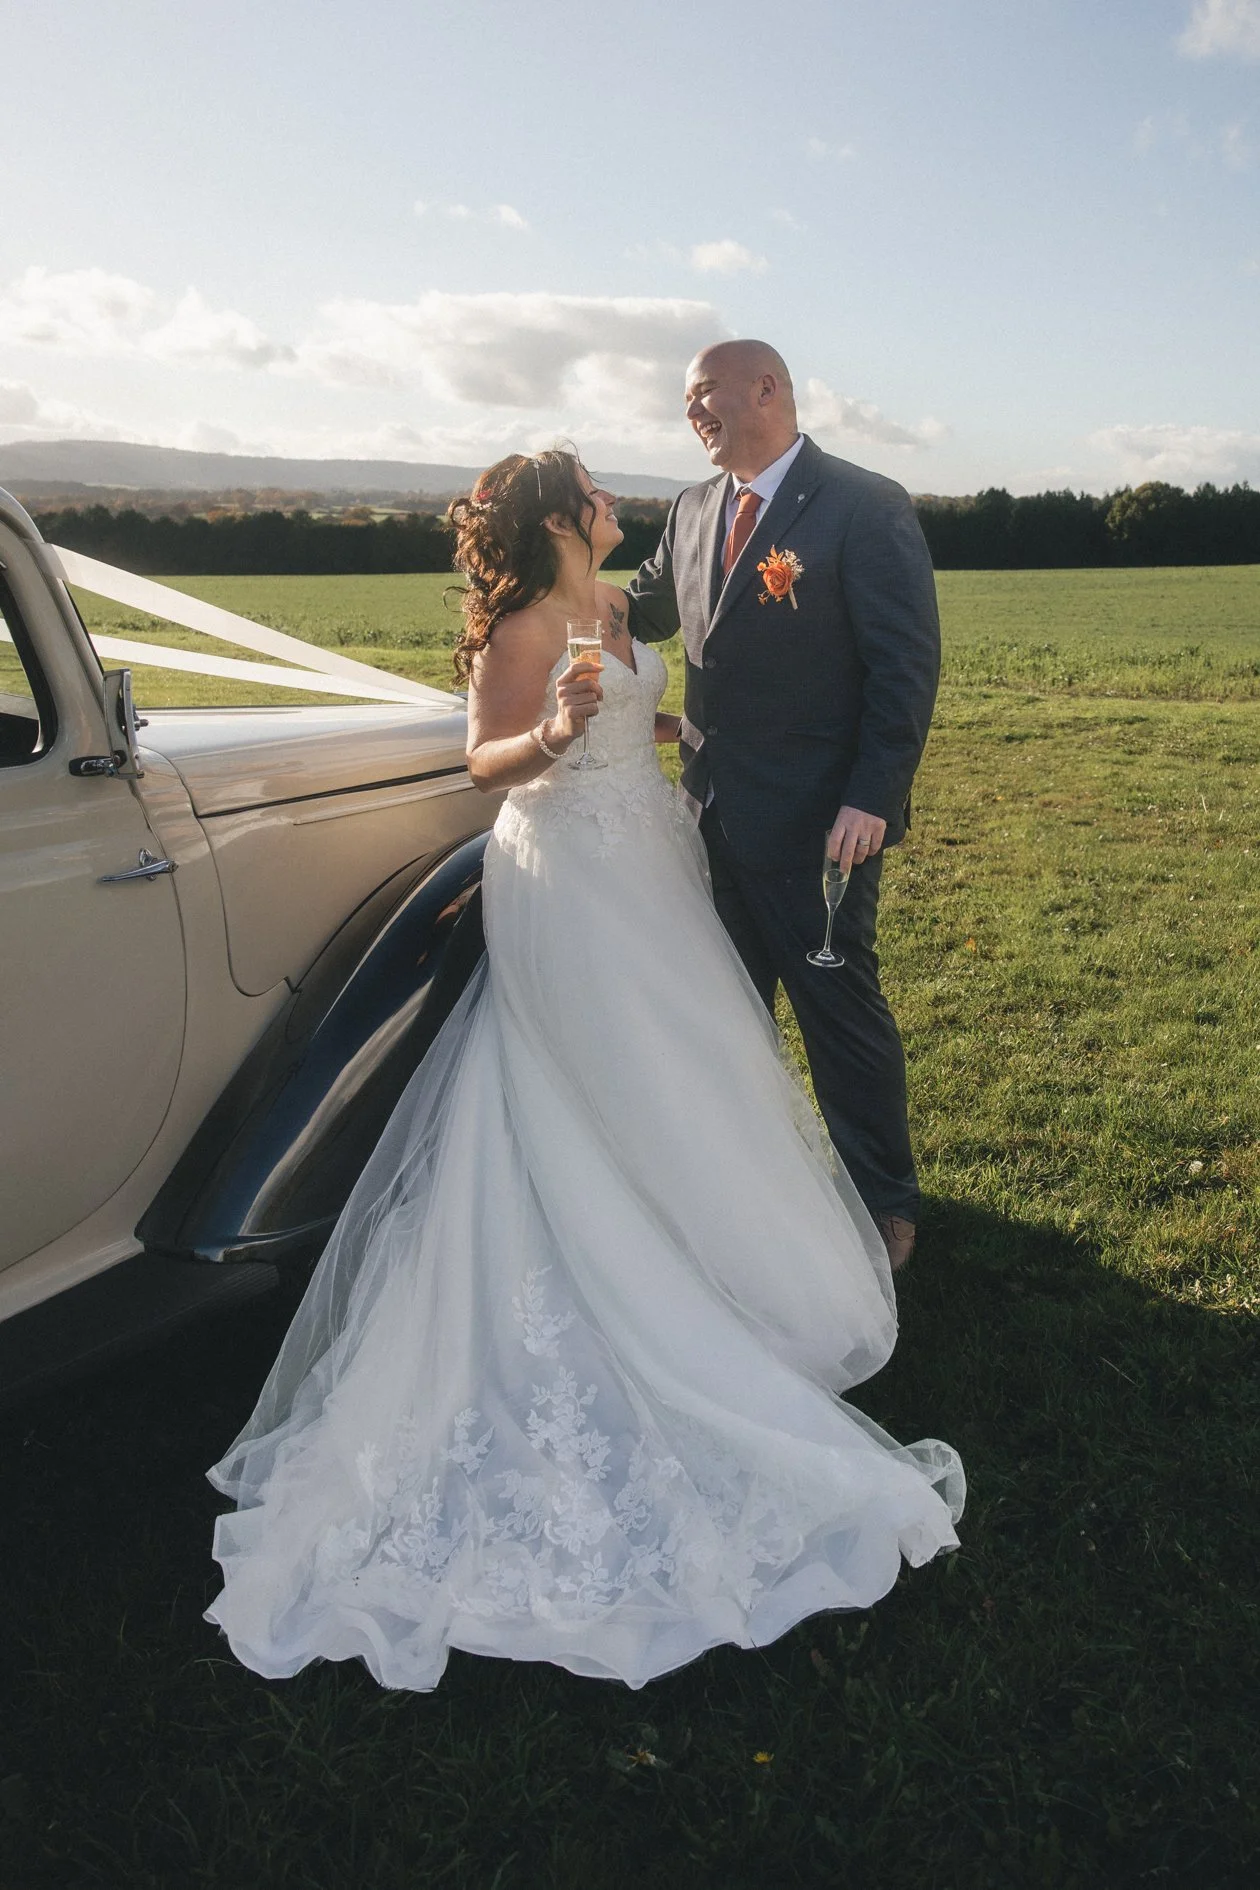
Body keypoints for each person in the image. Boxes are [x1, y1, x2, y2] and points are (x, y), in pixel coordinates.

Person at [203, 449, 962, 1694]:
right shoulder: (520, 627)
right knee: (579, 1081)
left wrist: (662, 723)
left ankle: (712, 1259)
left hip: (651, 860)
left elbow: (637, 707)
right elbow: (484, 760)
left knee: (688, 1068)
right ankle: (602, 1268)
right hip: (565, 872)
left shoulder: (612, 608)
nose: (618, 508)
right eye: (599, 498)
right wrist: (553, 728)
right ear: (559, 519)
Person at [627, 341, 940, 1274]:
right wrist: (523, 582)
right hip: (706, 814)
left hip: (821, 825)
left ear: (766, 389)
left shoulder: (863, 504)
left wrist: (873, 797)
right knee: (728, 1015)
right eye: (685, 402)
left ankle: (884, 1203)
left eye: (703, 395)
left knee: (836, 1011)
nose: (692, 414)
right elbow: (641, 610)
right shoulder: (689, 511)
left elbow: (903, 667)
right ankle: (753, 1190)